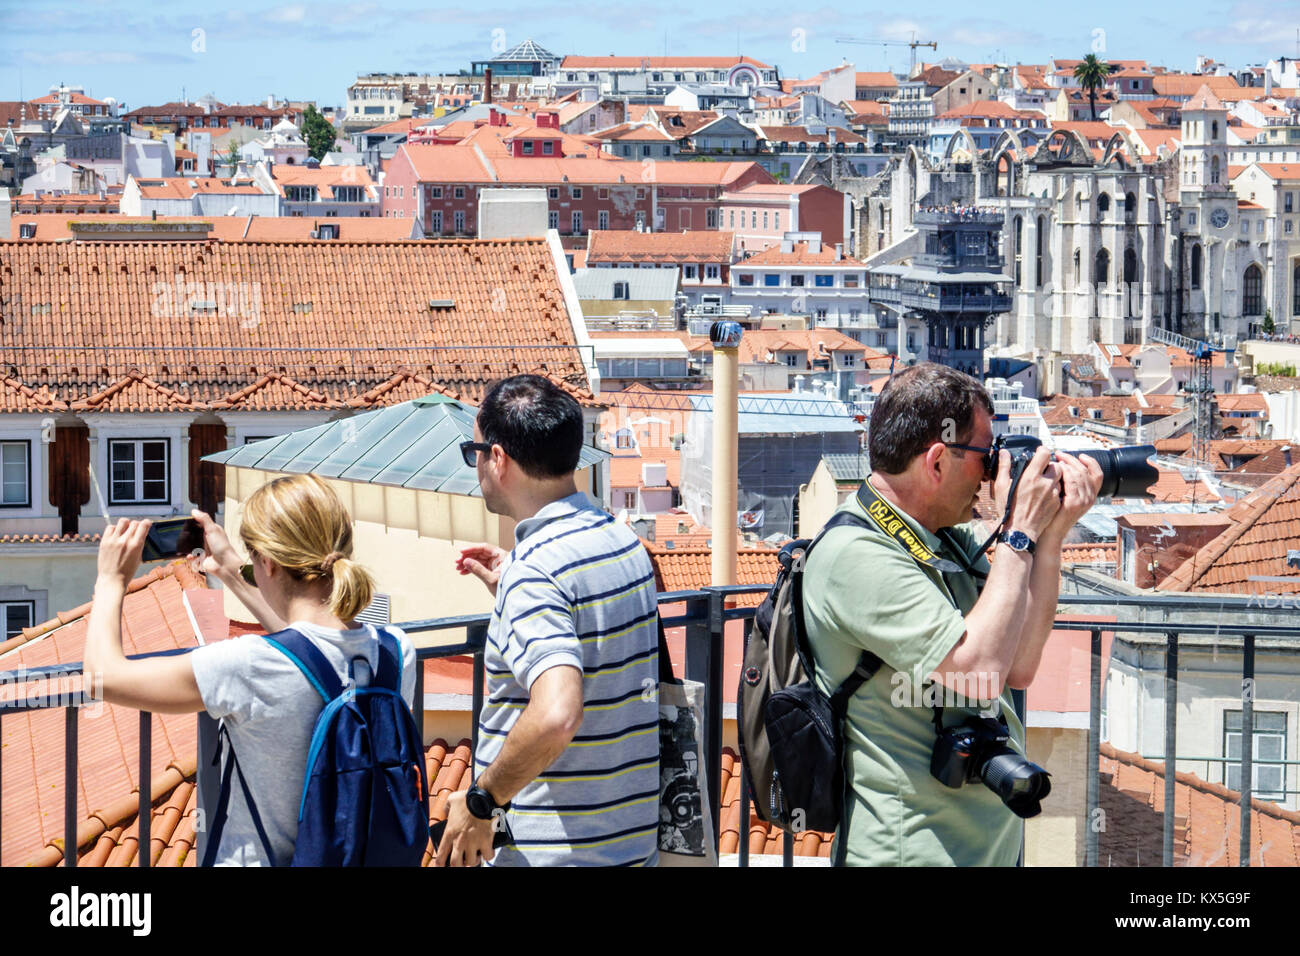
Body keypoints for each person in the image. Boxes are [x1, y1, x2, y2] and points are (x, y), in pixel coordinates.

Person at [801, 363, 1102, 866]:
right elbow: (981, 674)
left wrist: (1048, 538)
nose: (991, 474)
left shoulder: (945, 541)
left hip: (984, 850)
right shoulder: (855, 556)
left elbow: (1019, 666)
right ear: (937, 461)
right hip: (910, 853)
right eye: (985, 456)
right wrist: (1018, 531)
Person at [83, 473, 416, 866]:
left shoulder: (247, 665)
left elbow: (100, 678)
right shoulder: (395, 652)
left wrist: (110, 580)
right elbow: (308, 655)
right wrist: (233, 572)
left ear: (269, 563)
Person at [437, 374, 660, 867]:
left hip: (554, 854)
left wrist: (482, 800)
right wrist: (513, 591)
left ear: (498, 458)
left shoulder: (537, 571)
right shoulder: (620, 540)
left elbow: (558, 714)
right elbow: (598, 636)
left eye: (474, 450)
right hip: (629, 840)